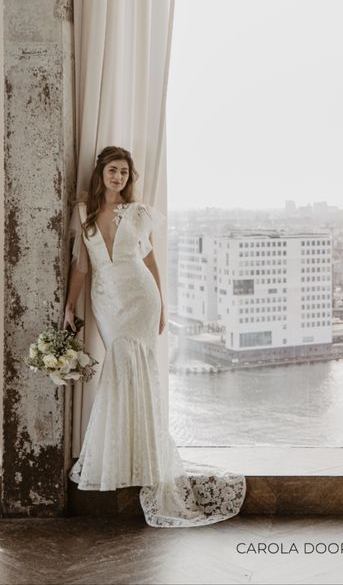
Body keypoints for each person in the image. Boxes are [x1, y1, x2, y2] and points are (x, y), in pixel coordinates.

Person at [64, 145, 246, 526]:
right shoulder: (83, 212)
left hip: (140, 296)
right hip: (107, 300)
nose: (118, 178)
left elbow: (149, 260)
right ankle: (119, 457)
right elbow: (82, 266)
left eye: (125, 173)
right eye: (113, 171)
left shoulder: (140, 213)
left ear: (130, 179)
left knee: (140, 372)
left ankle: (145, 457)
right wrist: (69, 306)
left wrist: (162, 304)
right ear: (101, 173)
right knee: (117, 370)